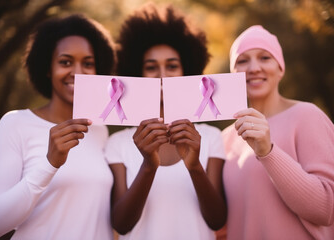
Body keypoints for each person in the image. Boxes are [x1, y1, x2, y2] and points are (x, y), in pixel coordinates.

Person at [0, 14, 116, 239]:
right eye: (65, 62)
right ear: (47, 68)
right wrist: (49, 164)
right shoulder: (15, 124)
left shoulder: (100, 131)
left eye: (88, 63)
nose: (78, 72)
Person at [104, 3, 227, 240]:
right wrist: (149, 165)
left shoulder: (210, 137)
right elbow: (120, 224)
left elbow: (217, 219)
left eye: (172, 66)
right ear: (137, 74)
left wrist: (194, 166)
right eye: (151, 67)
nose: (162, 74)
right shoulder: (117, 143)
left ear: (187, 70)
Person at [222, 25, 334, 240]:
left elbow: (326, 209)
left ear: (280, 68)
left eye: (265, 57)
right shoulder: (225, 138)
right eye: (242, 60)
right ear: (232, 74)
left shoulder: (307, 116)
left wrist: (268, 152)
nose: (254, 68)